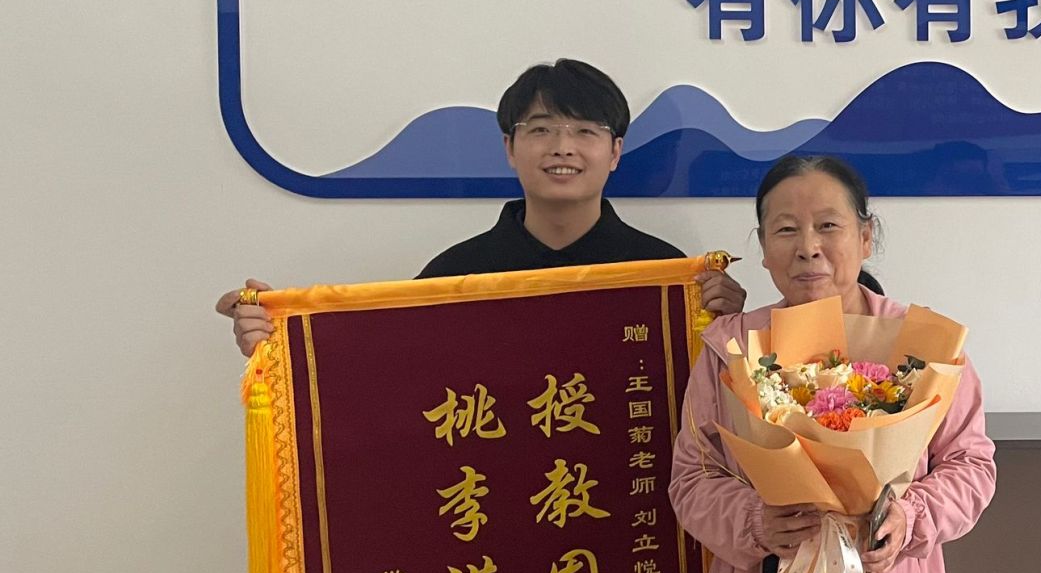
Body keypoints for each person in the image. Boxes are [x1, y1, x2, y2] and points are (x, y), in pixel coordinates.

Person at [670, 154, 995, 573]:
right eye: (785, 229)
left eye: (828, 226)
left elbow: (971, 465)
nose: (808, 248)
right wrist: (755, 522)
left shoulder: (923, 347)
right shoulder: (730, 349)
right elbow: (692, 478)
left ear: (865, 236)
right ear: (763, 247)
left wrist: (909, 517)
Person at [214, 58, 745, 350]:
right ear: (510, 148)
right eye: (541, 129)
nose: (562, 147)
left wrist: (730, 329)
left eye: (585, 130)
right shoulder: (454, 276)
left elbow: (709, 412)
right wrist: (279, 337)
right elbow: (380, 373)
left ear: (615, 152)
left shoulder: (665, 274)